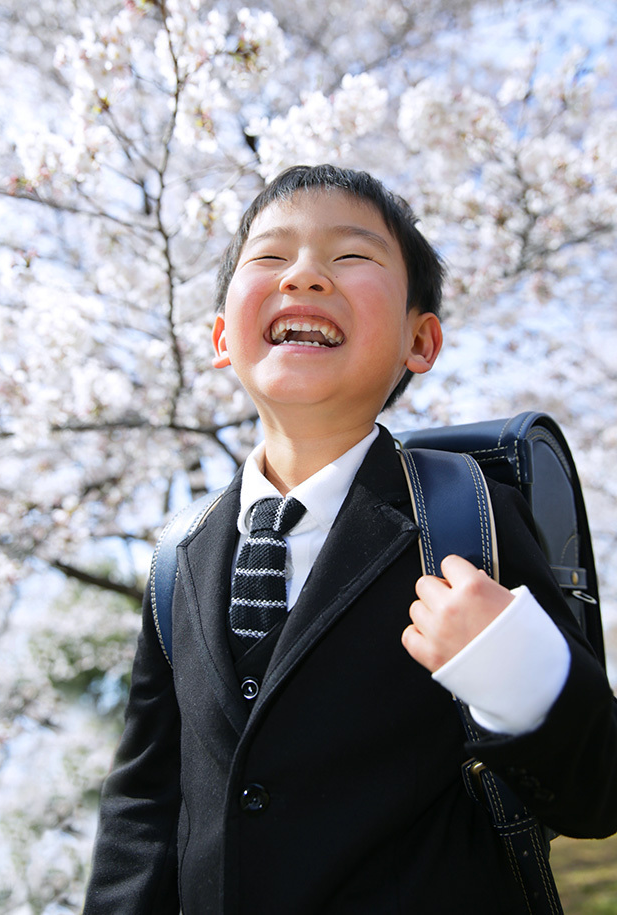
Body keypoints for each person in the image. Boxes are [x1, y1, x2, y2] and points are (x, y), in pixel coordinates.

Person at [83, 164, 617, 914]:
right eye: (269, 257)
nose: (304, 274)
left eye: (352, 257)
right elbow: (143, 806)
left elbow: (596, 792)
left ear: (420, 340)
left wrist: (513, 665)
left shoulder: (464, 516)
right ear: (219, 339)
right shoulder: (178, 557)